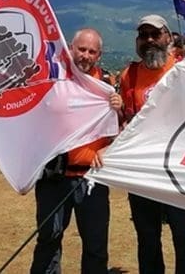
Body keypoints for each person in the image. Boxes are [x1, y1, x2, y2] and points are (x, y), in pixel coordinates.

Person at [30, 28, 121, 274]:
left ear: (99, 55)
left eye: (92, 51)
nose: (86, 56)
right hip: (54, 176)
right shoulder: (54, 79)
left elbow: (122, 130)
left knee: (95, 244)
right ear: (71, 48)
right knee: (48, 239)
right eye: (81, 49)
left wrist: (118, 109)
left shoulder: (106, 85)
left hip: (92, 178)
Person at [119, 14, 185, 274]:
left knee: (184, 236)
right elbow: (127, 117)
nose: (150, 40)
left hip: (178, 170)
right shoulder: (129, 75)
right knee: (147, 237)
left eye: (155, 34)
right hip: (143, 171)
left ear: (168, 37)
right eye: (144, 35)